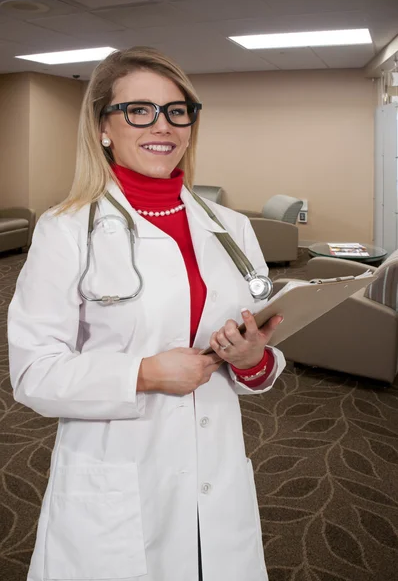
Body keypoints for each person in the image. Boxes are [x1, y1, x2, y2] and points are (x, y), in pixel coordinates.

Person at [7, 46, 286, 581]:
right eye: (139, 110)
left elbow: (260, 360)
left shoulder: (232, 228)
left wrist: (253, 360)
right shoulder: (66, 229)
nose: (163, 125)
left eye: (177, 110)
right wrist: (145, 373)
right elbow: (33, 373)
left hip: (216, 465)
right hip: (118, 474)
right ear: (104, 127)